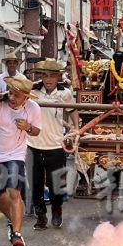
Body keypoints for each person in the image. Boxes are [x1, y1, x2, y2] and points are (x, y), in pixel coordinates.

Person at [0, 74, 42, 246]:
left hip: (15, 155)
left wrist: (28, 127)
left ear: (26, 98)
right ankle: (13, 221)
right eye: (11, 93)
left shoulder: (33, 108)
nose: (12, 98)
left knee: (15, 193)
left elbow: (37, 131)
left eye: (17, 95)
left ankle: (17, 234)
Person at [28, 59, 78, 230]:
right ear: (41, 76)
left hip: (55, 146)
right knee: (35, 184)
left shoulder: (65, 93)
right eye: (45, 75)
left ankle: (57, 211)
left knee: (54, 183)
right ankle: (41, 216)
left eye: (52, 76)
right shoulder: (32, 90)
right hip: (33, 144)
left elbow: (73, 111)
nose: (48, 79)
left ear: (58, 77)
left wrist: (76, 128)